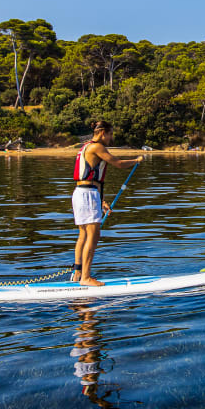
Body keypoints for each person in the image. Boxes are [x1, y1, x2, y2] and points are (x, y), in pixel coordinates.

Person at [71, 120, 143, 286]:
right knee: (93, 235)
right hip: (87, 195)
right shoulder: (97, 147)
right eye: (110, 134)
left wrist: (101, 201)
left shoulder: (85, 147)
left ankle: (78, 273)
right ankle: (86, 278)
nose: (111, 138)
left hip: (82, 193)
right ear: (103, 133)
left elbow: (90, 178)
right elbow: (118, 163)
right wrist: (136, 160)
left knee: (83, 234)